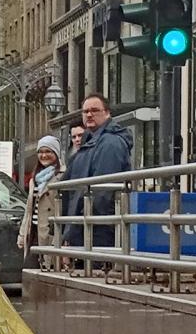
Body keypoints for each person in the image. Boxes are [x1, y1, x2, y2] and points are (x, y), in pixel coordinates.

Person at [63, 93, 133, 248]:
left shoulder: (110, 143)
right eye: (85, 111)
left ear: (107, 113)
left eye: (94, 110)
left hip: (96, 230)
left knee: (93, 270)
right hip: (85, 226)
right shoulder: (90, 143)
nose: (89, 114)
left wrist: (81, 224)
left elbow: (102, 191)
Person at [18, 135, 66, 268]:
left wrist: (62, 238)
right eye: (40, 152)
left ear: (56, 153)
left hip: (50, 235)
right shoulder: (35, 179)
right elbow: (28, 210)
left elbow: (65, 209)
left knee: (49, 270)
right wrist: (22, 235)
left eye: (48, 151)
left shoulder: (63, 176)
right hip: (33, 233)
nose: (44, 155)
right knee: (29, 272)